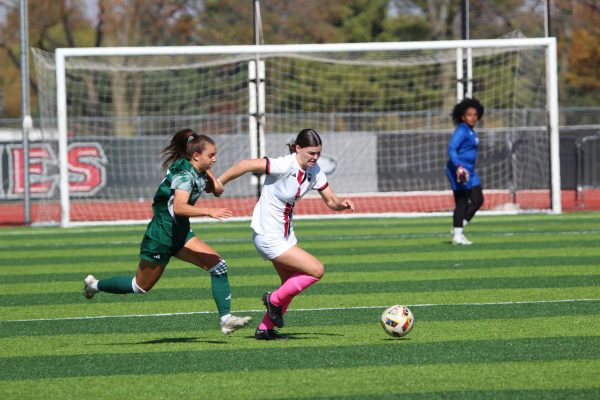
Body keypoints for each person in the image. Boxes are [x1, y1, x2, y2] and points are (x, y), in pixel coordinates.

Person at [83, 129, 252, 335]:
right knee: (140, 286)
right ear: (196, 156)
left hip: (180, 233)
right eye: (211, 155)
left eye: (215, 154)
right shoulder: (183, 176)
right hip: (161, 236)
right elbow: (180, 207)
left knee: (219, 267)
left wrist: (209, 172)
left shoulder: (198, 169)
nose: (215, 159)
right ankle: (95, 285)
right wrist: (208, 211)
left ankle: (226, 320)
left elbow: (217, 190)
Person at [218, 128, 355, 340]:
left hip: (285, 235)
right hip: (268, 235)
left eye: (318, 153)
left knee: (290, 284)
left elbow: (331, 200)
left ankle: (265, 330)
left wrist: (342, 204)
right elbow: (245, 165)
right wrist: (219, 183)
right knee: (316, 269)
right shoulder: (284, 164)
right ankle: (272, 299)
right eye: (311, 153)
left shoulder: (315, 170)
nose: (315, 157)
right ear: (298, 148)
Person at [446, 98, 485, 245]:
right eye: (469, 114)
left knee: (478, 200)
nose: (472, 117)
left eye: (475, 114)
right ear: (462, 116)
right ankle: (457, 235)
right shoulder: (462, 129)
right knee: (461, 202)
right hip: (459, 171)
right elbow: (452, 148)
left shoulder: (470, 131)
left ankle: (459, 225)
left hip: (471, 171)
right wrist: (459, 167)